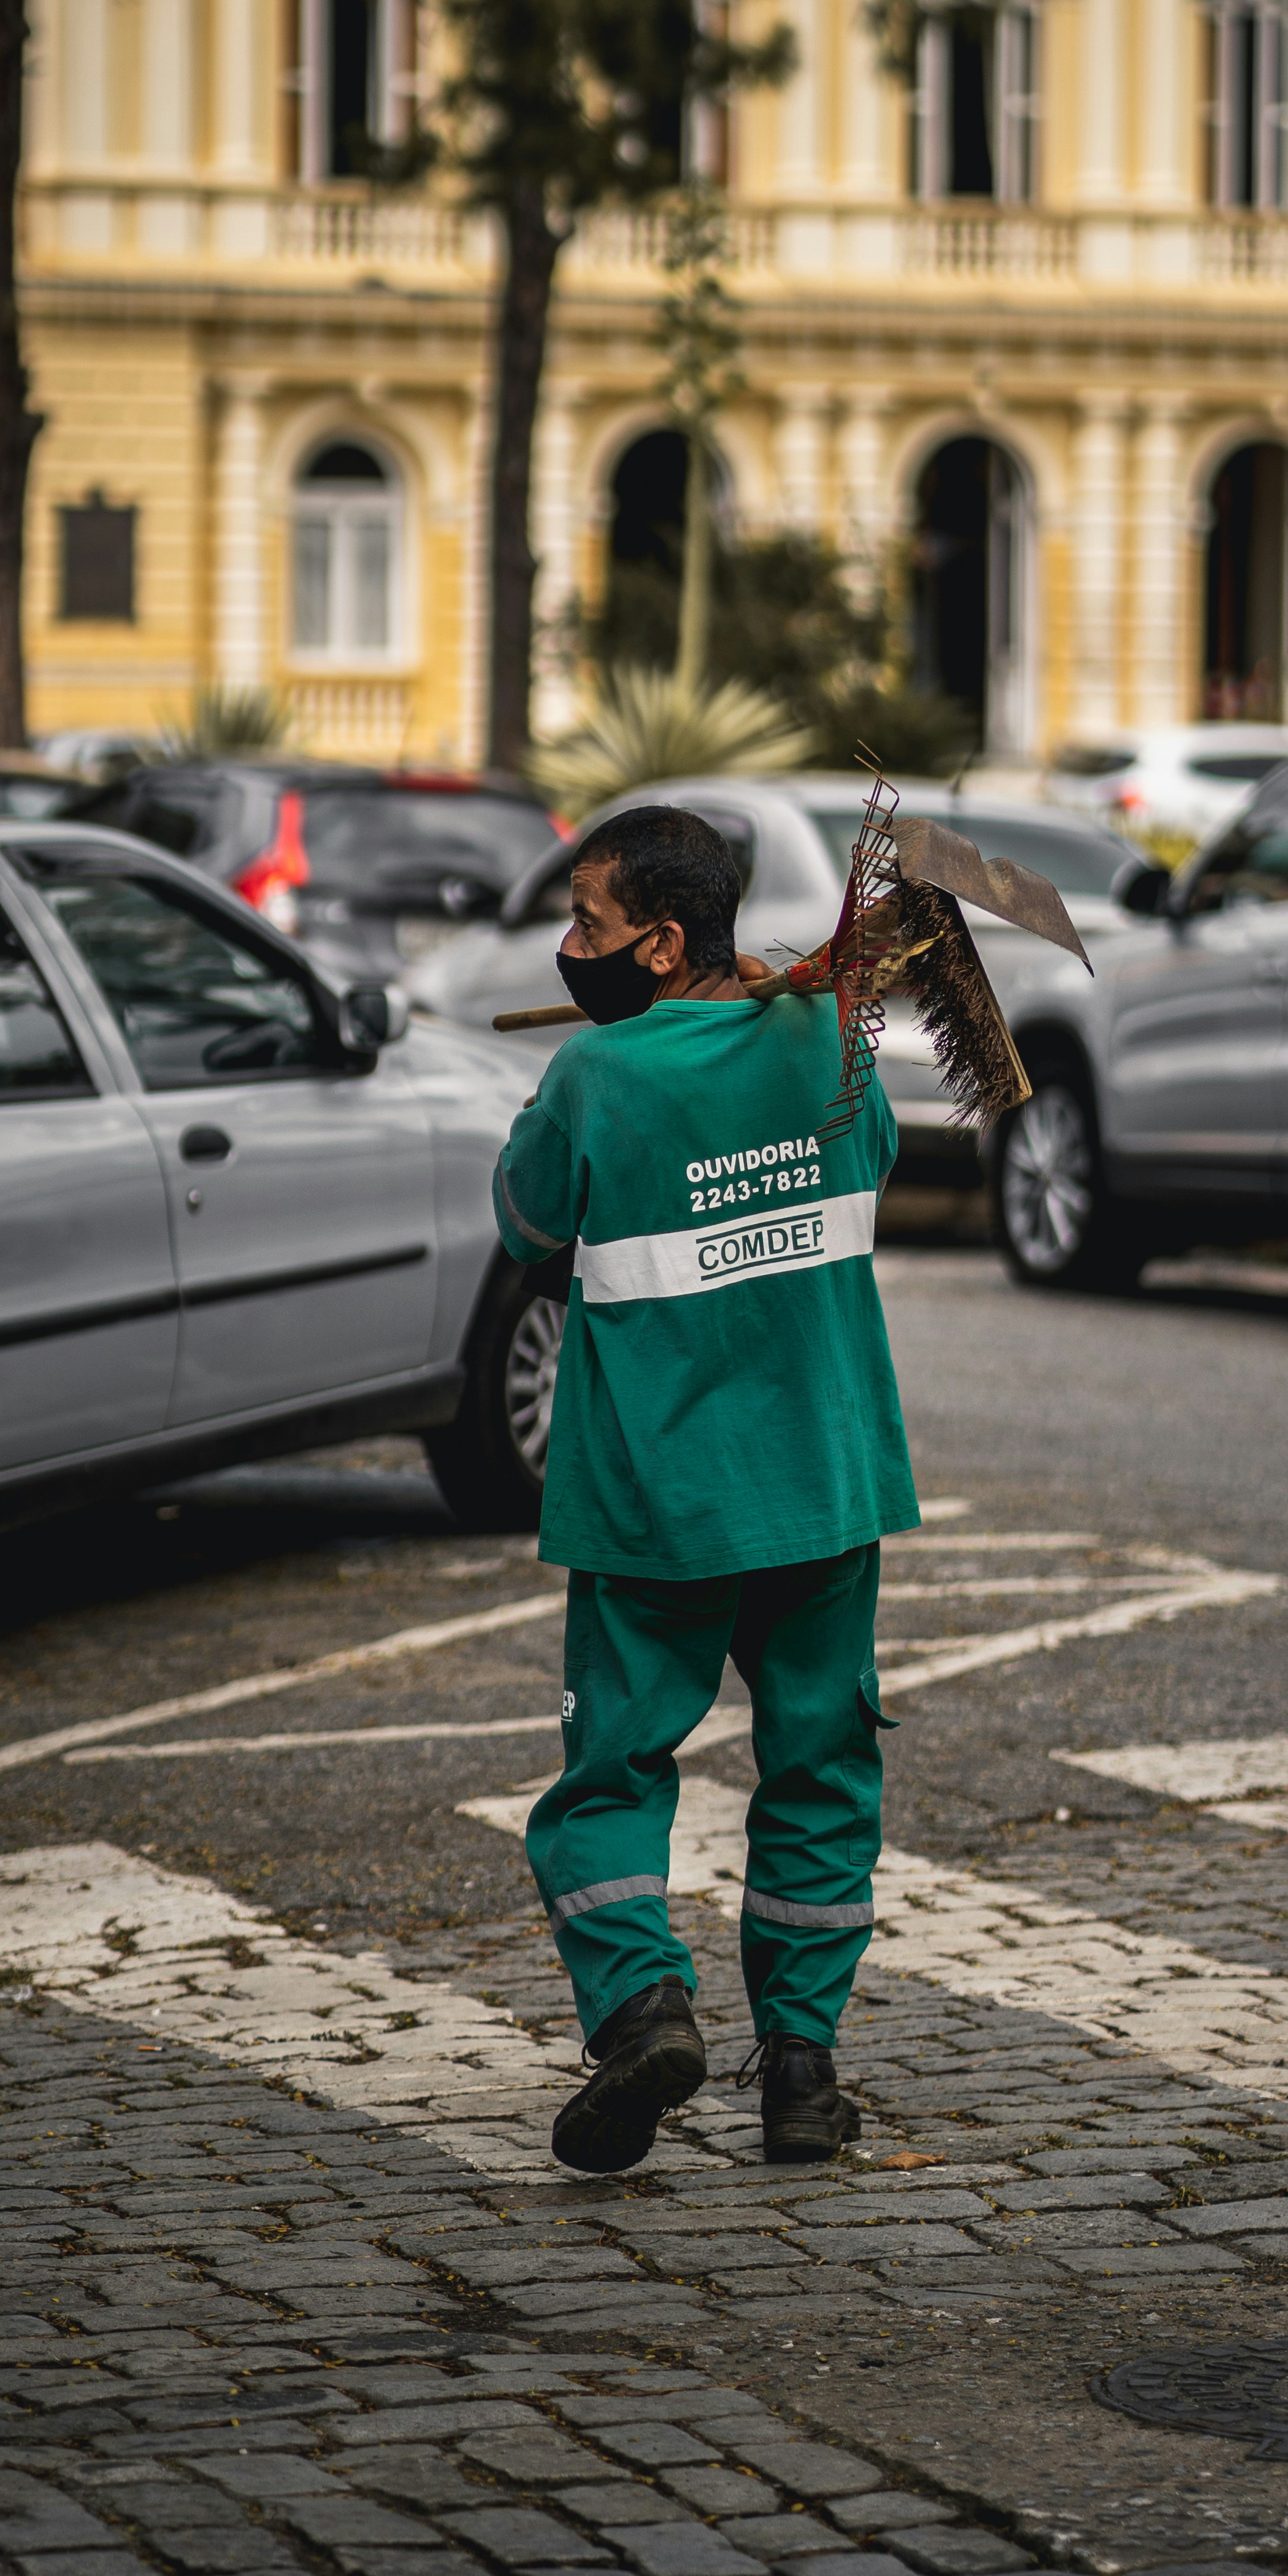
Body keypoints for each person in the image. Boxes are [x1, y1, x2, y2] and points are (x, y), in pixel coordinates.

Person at [491, 803, 919, 2174]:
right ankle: (800, 2071)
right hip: (820, 1485)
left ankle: (641, 2014)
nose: (570, 948)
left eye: (590, 926)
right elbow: (876, 1164)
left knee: (609, 1773)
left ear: (663, 944)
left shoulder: (595, 1079)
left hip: (653, 1504)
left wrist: (584, 1095)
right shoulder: (832, 1041)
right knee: (817, 1773)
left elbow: (525, 1219)